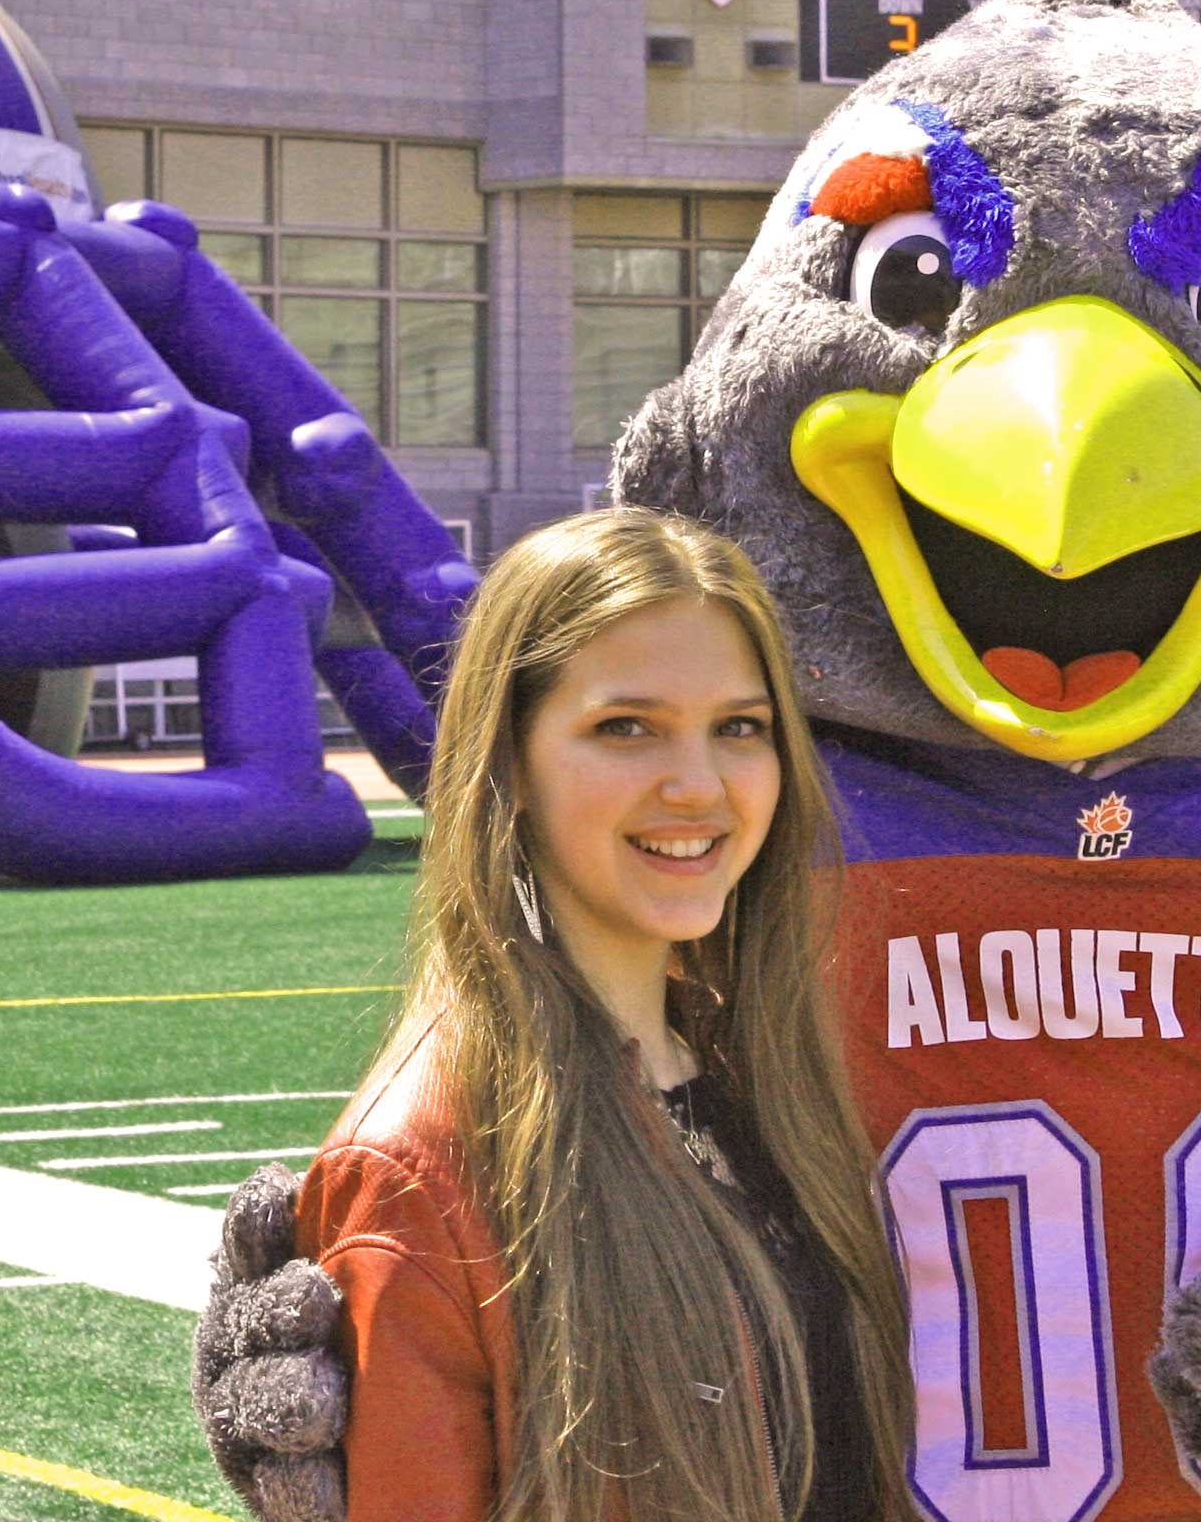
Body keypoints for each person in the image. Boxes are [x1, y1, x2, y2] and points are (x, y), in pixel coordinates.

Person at [286, 509, 911, 1522]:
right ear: (509, 767)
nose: (698, 785)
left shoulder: (762, 1077)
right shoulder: (422, 1167)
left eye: (739, 729)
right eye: (626, 727)